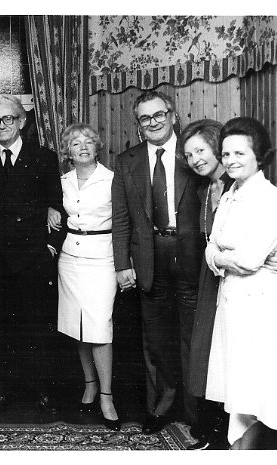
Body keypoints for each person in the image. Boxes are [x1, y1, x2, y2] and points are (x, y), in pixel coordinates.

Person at [111, 91, 203, 434]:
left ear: (172, 115)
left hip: (192, 257)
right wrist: (122, 264)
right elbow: (121, 218)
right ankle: (161, 408)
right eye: (145, 118)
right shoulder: (127, 161)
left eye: (159, 115)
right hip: (149, 259)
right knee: (157, 340)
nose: (153, 122)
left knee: (192, 337)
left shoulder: (193, 152)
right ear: (138, 125)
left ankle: (196, 413)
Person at [0, 94, 64, 415]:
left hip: (32, 259)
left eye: (8, 118)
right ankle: (2, 390)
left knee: (36, 328)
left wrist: (50, 247)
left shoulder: (44, 157)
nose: (1, 125)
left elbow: (57, 206)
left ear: (21, 121)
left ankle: (43, 391)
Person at [204, 117, 277, 449]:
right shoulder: (229, 194)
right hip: (231, 298)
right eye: (226, 154)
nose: (231, 160)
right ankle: (239, 449)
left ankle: (244, 450)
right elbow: (210, 246)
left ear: (258, 155)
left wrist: (219, 256)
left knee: (254, 387)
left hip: (259, 302)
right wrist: (221, 255)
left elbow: (248, 261)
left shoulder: (268, 198)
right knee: (237, 386)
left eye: (239, 153)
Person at [56, 123, 120, 431]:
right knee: (77, 325)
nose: (82, 147)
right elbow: (54, 208)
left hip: (103, 257)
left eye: (88, 142)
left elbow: (124, 222)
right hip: (70, 257)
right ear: (67, 152)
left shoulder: (112, 179)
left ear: (97, 147)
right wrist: (49, 210)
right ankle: (89, 384)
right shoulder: (62, 181)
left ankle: (107, 396)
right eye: (75, 143)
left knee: (100, 326)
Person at [177, 119, 233, 449]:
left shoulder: (236, 186)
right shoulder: (205, 189)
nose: (195, 159)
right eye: (189, 155)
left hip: (232, 280)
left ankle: (226, 436)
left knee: (226, 354)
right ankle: (213, 428)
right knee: (207, 352)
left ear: (216, 146)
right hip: (208, 279)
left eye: (200, 150)